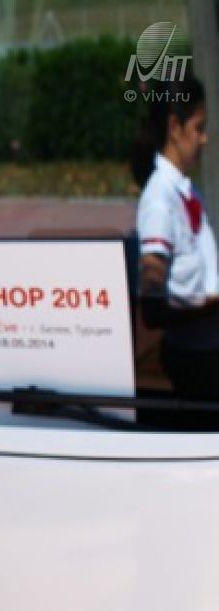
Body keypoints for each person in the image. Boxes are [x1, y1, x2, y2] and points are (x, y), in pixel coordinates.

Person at [136, 76, 219, 406]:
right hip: (193, 362)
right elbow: (152, 309)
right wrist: (212, 302)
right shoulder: (160, 200)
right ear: (175, 127)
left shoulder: (186, 190)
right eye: (199, 128)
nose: (204, 138)